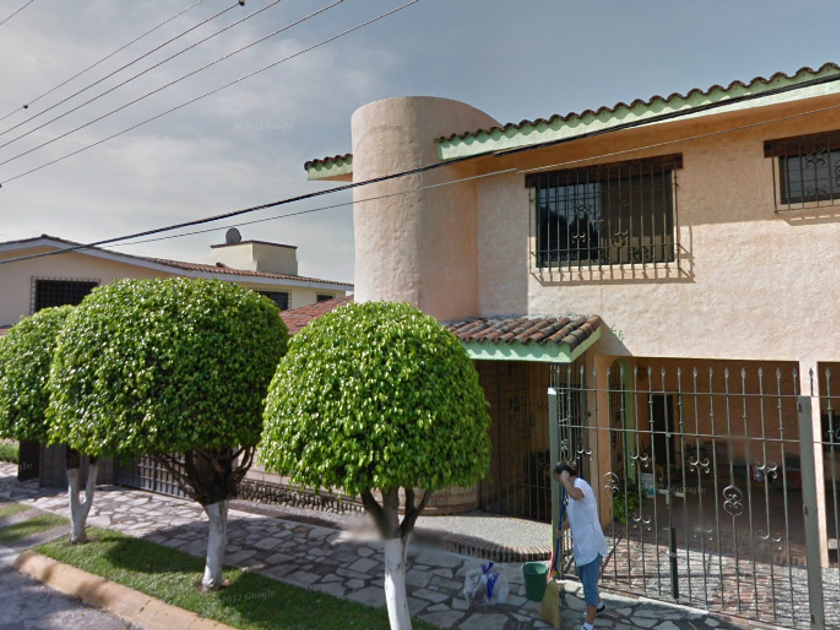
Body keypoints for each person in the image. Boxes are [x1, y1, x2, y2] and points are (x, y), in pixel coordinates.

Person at [554, 462, 608, 630]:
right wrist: (562, 529)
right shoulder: (570, 491)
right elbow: (572, 516)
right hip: (582, 544)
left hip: (591, 544)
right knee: (585, 579)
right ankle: (599, 606)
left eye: (559, 479)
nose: (560, 483)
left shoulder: (580, 485)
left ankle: (588, 625)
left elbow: (577, 495)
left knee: (589, 587)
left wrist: (565, 480)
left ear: (566, 474)